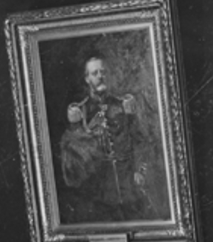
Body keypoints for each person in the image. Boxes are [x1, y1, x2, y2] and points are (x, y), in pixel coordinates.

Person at [58, 55, 154, 222]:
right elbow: (72, 161)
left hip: (129, 189)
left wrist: (140, 170)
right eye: (95, 73)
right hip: (99, 194)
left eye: (103, 72)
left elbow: (140, 141)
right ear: (87, 78)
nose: (100, 76)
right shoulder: (80, 111)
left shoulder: (123, 105)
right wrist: (75, 128)